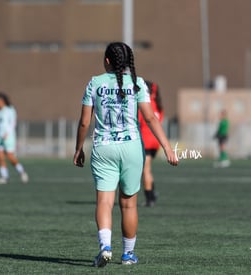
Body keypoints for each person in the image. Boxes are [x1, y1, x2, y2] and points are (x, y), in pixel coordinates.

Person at [73, 42, 178, 268]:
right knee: (128, 204)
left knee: (104, 201)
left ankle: (105, 246)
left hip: (103, 148)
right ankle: (128, 255)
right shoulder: (137, 83)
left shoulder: (95, 83)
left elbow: (84, 121)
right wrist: (168, 148)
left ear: (107, 61)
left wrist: (78, 148)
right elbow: (151, 119)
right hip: (131, 149)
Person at [0, 92, 29, 184]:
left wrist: (7, 133)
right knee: (0, 157)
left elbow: (13, 123)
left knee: (10, 157)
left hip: (8, 137)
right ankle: (4, 177)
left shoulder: (10, 110)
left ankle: (22, 172)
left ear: (2, 100)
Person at [138, 81, 164, 207]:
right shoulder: (159, 106)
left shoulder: (146, 104)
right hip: (155, 142)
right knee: (148, 170)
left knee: (145, 171)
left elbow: (139, 121)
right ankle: (152, 193)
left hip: (146, 141)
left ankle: (150, 198)